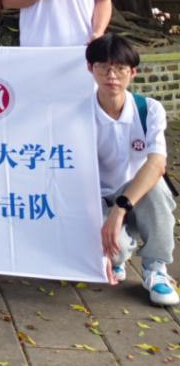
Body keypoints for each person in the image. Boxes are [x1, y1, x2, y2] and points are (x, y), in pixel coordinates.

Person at [86, 34, 177, 306]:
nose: (111, 76)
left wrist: (120, 210)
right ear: (90, 68)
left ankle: (156, 268)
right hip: (96, 197)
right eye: (104, 67)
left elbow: (157, 164)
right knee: (112, 251)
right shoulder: (80, 112)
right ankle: (120, 252)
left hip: (136, 196)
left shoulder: (148, 110)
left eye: (120, 69)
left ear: (133, 72)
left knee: (156, 183)